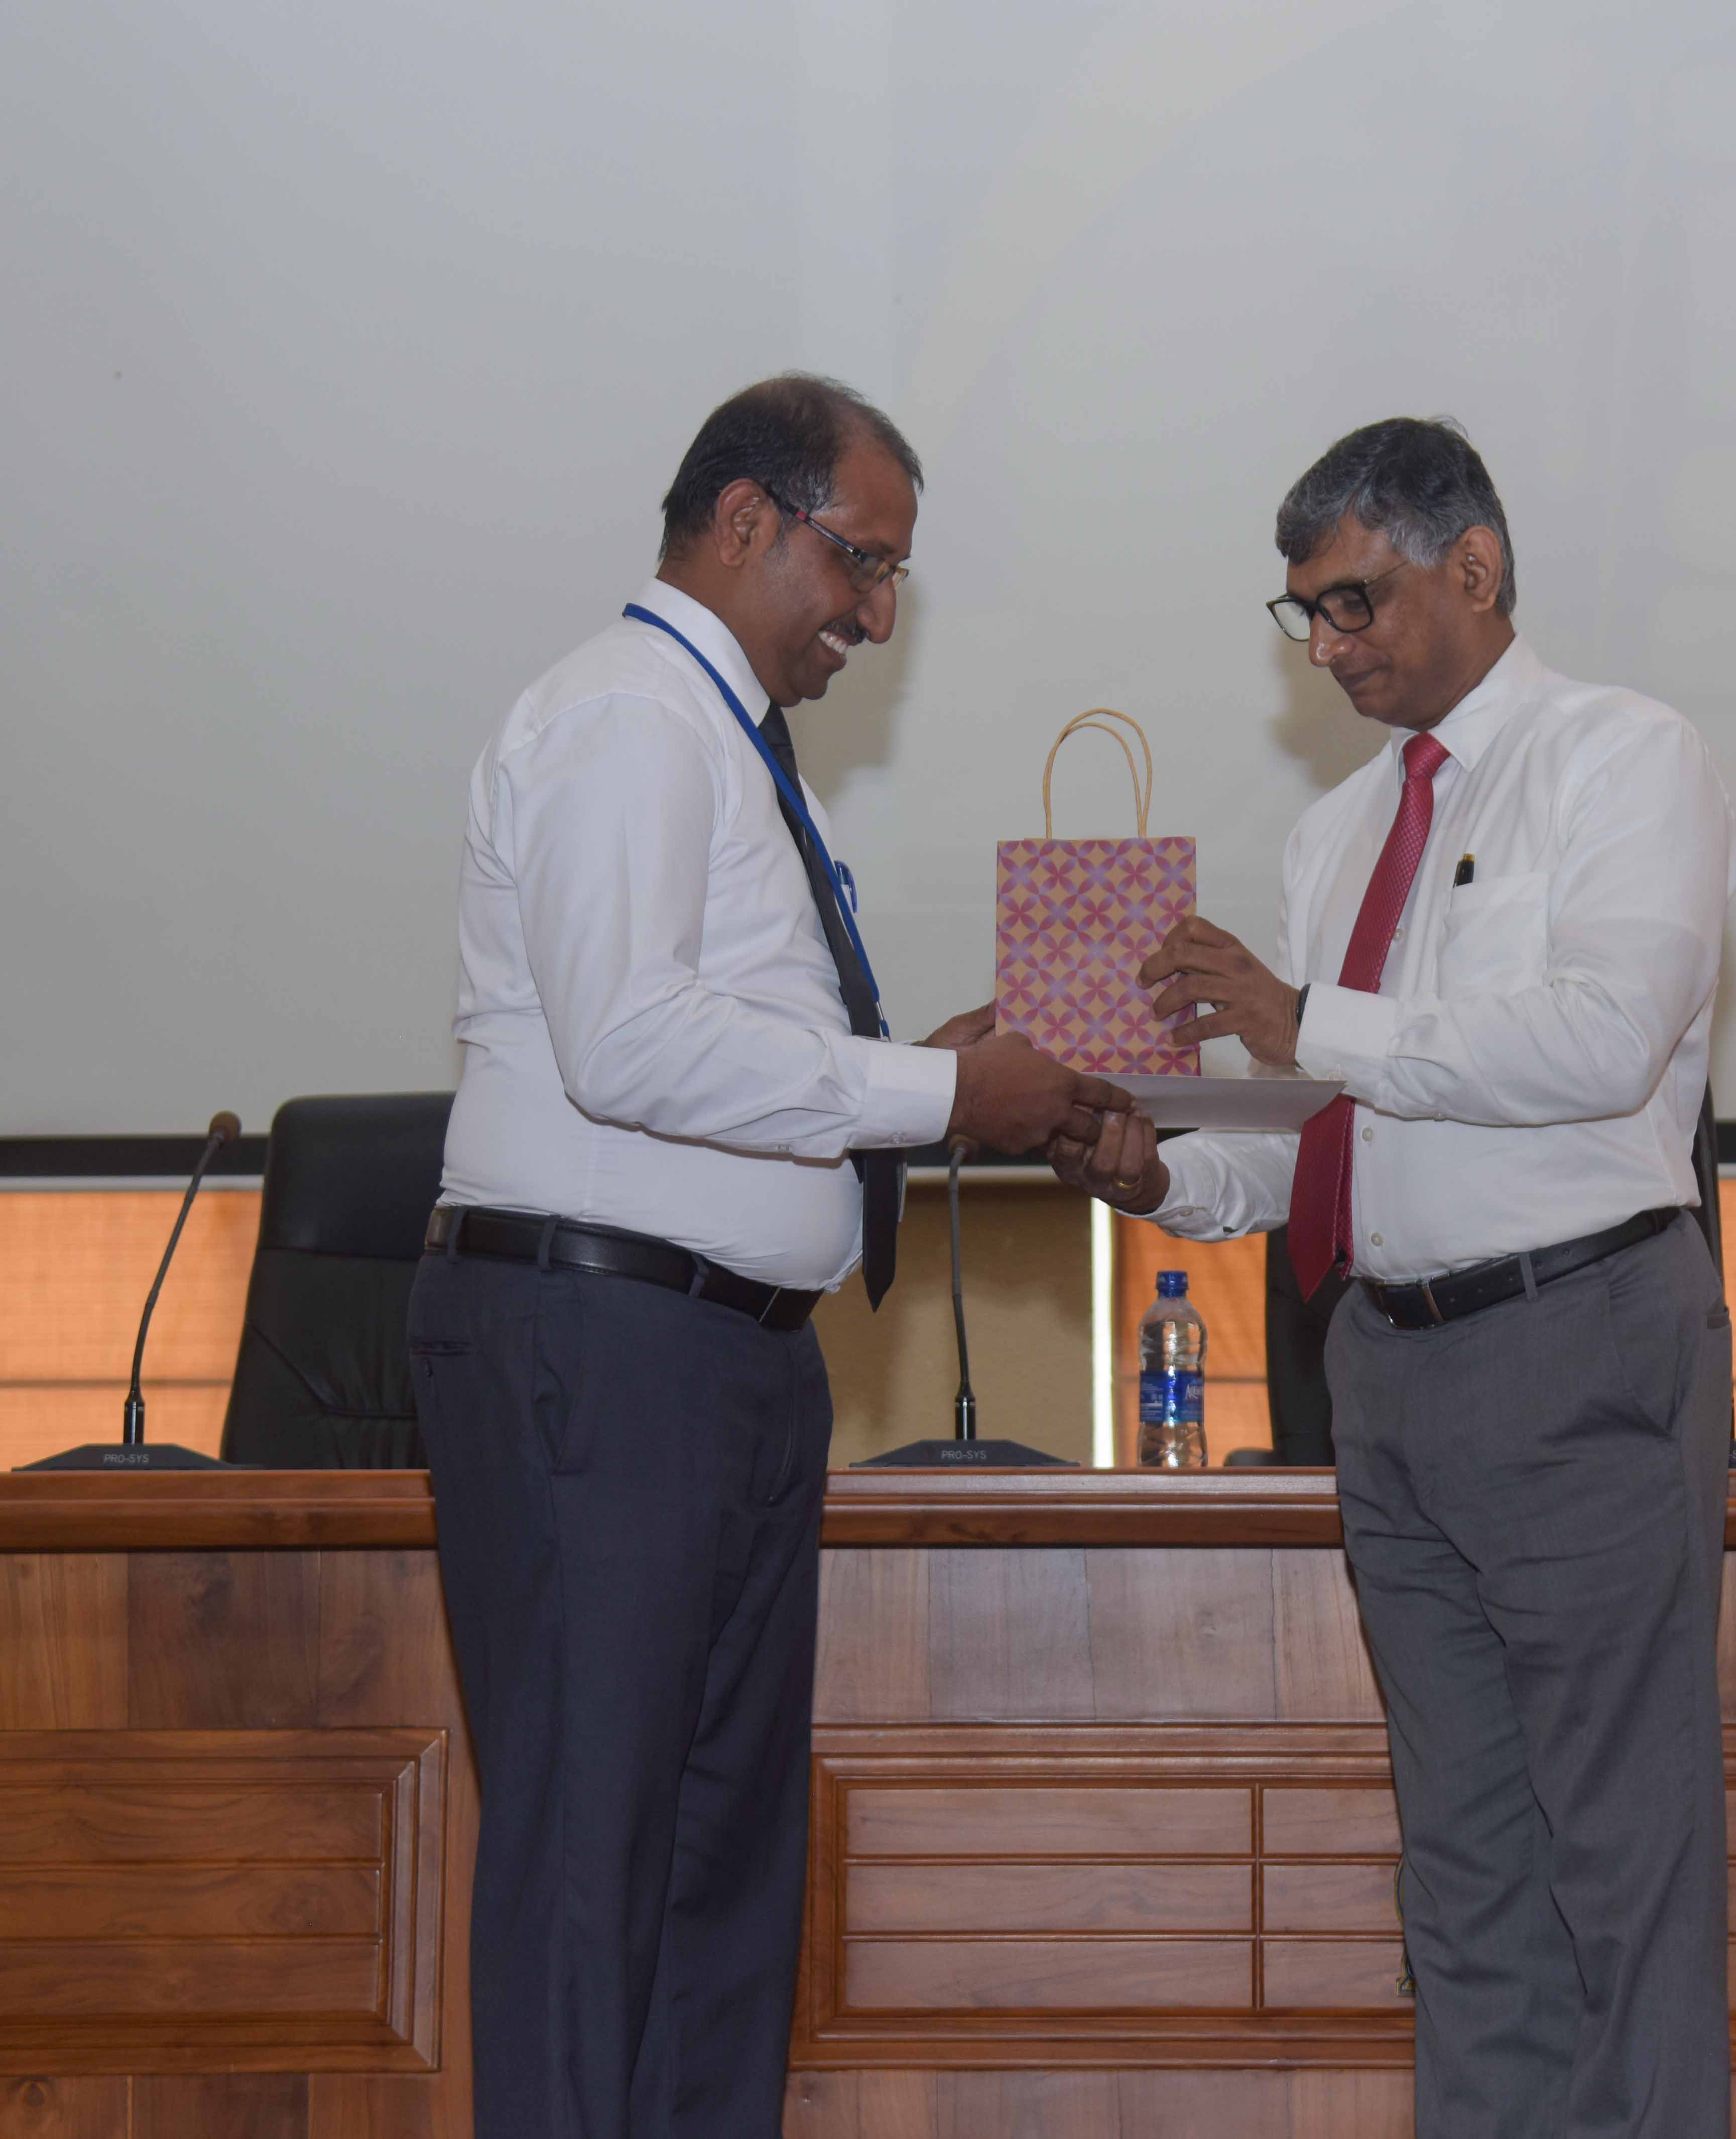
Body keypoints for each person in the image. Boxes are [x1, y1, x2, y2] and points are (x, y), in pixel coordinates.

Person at [409, 373, 1127, 2139]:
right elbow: (626, 1043)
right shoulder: (630, 717)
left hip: (714, 1362)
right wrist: (938, 1093)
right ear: (745, 521)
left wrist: (931, 1074)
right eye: (859, 562)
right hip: (604, 1348)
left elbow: (718, 1038)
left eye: (890, 578)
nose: (873, 617)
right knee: (595, 1872)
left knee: (715, 1881)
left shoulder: (717, 737)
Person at [1053, 418, 1736, 2138]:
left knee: (1620, 1860)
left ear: (1475, 568)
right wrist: (1159, 1173)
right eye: (1305, 614)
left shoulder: (1621, 757)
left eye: (1353, 602)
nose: (1327, 647)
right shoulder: (1338, 833)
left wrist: (1308, 1020)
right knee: (1462, 1872)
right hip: (1387, 1366)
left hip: (1574, 1336)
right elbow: (1323, 1143)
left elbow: (1600, 1041)